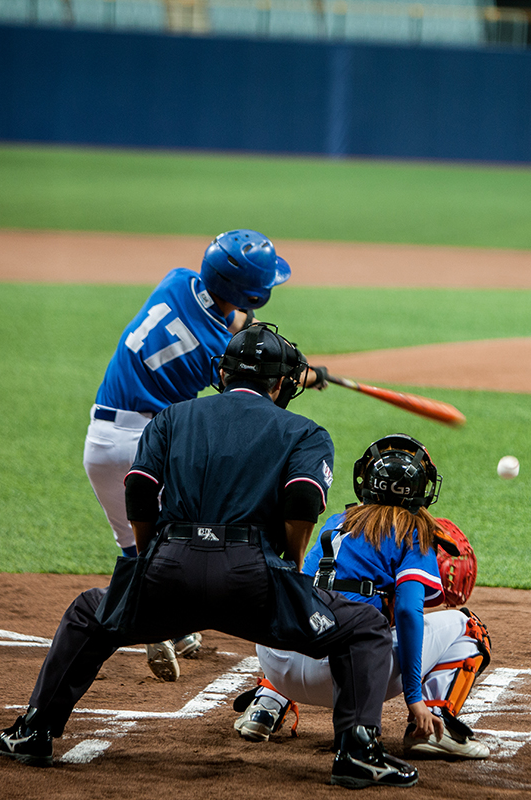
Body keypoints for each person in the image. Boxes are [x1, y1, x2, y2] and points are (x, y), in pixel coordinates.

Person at [0, 324, 419, 788]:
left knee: (89, 614)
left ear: (222, 372)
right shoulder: (305, 432)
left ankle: (34, 731)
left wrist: (145, 560)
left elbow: (138, 490)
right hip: (252, 579)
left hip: (168, 571)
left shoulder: (173, 416)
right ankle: (357, 751)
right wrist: (291, 567)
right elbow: (302, 501)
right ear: (280, 384)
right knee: (363, 628)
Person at [83, 229, 323, 682]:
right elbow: (255, 386)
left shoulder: (177, 281)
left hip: (100, 443)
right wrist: (310, 376)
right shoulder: (216, 353)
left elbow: (227, 322)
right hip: (147, 442)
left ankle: (170, 625)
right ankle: (165, 622)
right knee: (195, 532)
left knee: (137, 547)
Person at [233, 435, 492, 760]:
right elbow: (410, 613)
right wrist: (414, 696)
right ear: (421, 490)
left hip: (277, 662)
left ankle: (266, 704)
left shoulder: (336, 523)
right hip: (348, 677)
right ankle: (431, 726)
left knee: (313, 607)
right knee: (468, 626)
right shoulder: (413, 532)